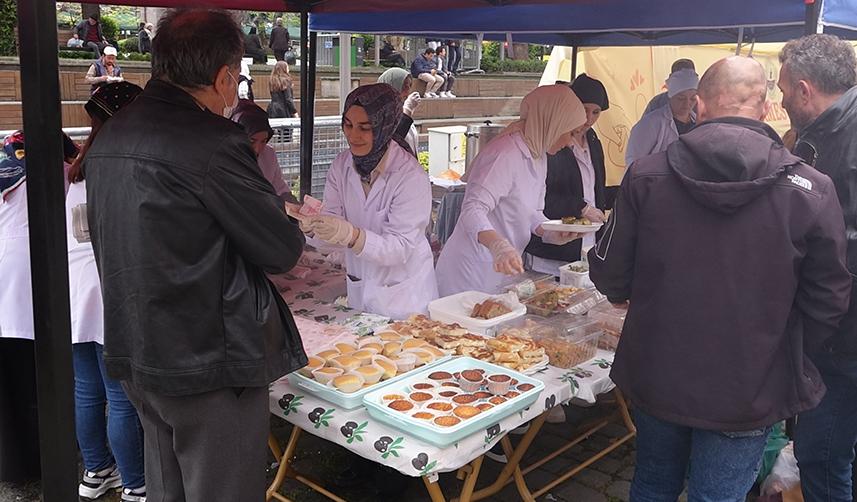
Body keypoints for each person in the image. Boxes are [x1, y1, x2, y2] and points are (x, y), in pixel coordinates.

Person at [588, 56, 851, 502]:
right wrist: (788, 346)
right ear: (766, 109)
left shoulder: (646, 176)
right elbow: (829, 296)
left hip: (659, 369)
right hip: (750, 382)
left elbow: (611, 271)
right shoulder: (812, 188)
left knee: (653, 483)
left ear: (700, 108)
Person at [84, 9, 307, 501]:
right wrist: (281, 211)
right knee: (220, 489)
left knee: (169, 488)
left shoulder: (112, 134)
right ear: (225, 77)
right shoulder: (212, 139)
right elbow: (281, 248)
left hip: (138, 346)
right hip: (206, 360)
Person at [777, 34, 857, 502]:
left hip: (843, 334)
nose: (781, 99)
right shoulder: (827, 131)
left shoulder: (847, 138)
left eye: (785, 90)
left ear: (805, 90)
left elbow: (839, 243)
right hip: (838, 327)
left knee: (821, 454)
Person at [290, 84, 438, 319]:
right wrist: (314, 228)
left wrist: (353, 236)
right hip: (360, 286)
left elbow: (399, 249)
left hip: (405, 296)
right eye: (347, 125)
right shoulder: (341, 166)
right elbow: (334, 233)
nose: (353, 135)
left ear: (384, 127)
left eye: (364, 128)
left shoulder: (410, 177)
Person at [66, 81, 147, 502]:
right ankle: (136, 483)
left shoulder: (75, 167)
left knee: (86, 388)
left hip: (75, 289)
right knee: (120, 396)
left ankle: (96, 470)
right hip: (107, 288)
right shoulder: (117, 165)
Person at [435, 85, 586, 297]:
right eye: (570, 133)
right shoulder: (505, 153)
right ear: (553, 123)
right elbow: (473, 208)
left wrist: (551, 232)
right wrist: (497, 245)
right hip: (470, 271)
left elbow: (533, 212)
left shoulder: (539, 155)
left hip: (504, 270)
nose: (571, 142)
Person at [525, 74, 615, 275]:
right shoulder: (552, 141)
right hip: (552, 251)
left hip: (585, 247)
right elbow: (540, 197)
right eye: (584, 110)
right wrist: (581, 208)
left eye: (596, 112)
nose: (589, 119)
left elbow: (594, 191)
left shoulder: (593, 140)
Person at [625, 68, 698, 166]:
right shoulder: (650, 124)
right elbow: (633, 162)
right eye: (681, 98)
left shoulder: (699, 123)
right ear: (670, 96)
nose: (687, 103)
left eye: (693, 98)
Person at [231, 99, 295, 202]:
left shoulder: (269, 154)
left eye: (263, 141)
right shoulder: (225, 157)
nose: (257, 149)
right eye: (252, 141)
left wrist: (293, 203)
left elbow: (279, 187)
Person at [377, 67, 421, 154]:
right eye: (404, 86)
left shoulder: (400, 111)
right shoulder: (378, 114)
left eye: (409, 86)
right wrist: (407, 111)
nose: (408, 92)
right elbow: (394, 140)